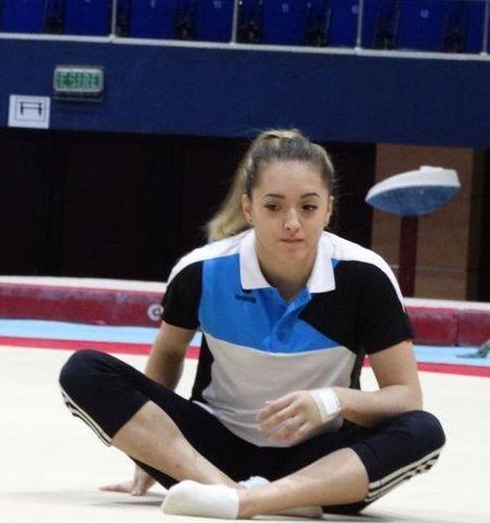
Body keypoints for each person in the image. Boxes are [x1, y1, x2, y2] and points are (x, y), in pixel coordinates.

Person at [59, 129, 445, 519]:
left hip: (320, 462)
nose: (292, 222)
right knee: (84, 370)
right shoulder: (202, 271)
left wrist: (330, 401)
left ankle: (246, 501)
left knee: (423, 431)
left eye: (308, 207)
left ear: (329, 209)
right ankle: (234, 491)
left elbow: (405, 396)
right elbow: (169, 354)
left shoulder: (365, 277)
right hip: (209, 454)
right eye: (274, 207)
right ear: (248, 209)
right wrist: (148, 449)